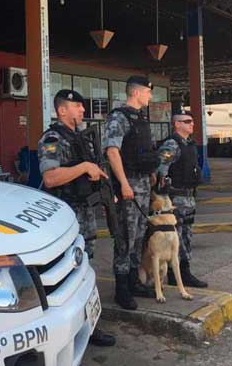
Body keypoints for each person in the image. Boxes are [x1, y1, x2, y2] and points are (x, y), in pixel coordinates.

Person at [38, 89, 116, 347]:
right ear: (62, 110)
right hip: (65, 218)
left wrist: (106, 194)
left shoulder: (82, 138)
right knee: (68, 276)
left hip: (85, 213)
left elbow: (93, 171)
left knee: (86, 271)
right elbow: (50, 178)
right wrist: (84, 167)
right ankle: (66, 330)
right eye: (77, 106)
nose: (83, 110)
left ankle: (90, 325)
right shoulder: (52, 138)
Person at [104, 75, 159, 310]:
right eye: (147, 92)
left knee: (138, 237)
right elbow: (112, 151)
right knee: (125, 239)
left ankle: (134, 282)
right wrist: (124, 183)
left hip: (143, 185)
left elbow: (146, 150)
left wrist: (152, 173)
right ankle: (122, 289)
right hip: (128, 187)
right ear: (136, 92)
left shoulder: (141, 118)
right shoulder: (119, 117)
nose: (150, 96)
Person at [156, 106, 207, 288]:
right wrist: (163, 195)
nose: (192, 124)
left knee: (186, 236)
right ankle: (175, 273)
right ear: (177, 124)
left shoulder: (188, 144)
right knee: (175, 238)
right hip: (175, 199)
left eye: (192, 121)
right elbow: (160, 169)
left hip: (188, 198)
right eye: (187, 121)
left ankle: (184, 271)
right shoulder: (172, 144)